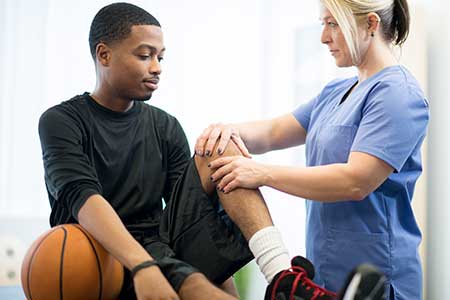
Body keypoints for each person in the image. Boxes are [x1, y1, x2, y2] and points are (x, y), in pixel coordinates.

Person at [37, 2, 322, 300]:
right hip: (97, 253)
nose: (157, 67)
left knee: (221, 142)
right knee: (193, 285)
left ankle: (280, 276)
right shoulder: (61, 120)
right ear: (104, 54)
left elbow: (193, 215)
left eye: (160, 57)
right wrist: (143, 266)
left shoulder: (165, 125)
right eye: (144, 55)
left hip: (160, 246)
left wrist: (219, 282)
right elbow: (83, 198)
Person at [195, 0, 429, 299]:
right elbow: (272, 132)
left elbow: (355, 181)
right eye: (323, 24)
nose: (324, 37)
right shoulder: (336, 92)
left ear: (371, 24)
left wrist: (261, 173)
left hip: (378, 275)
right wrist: (226, 131)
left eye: (333, 24)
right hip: (325, 270)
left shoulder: (398, 94)